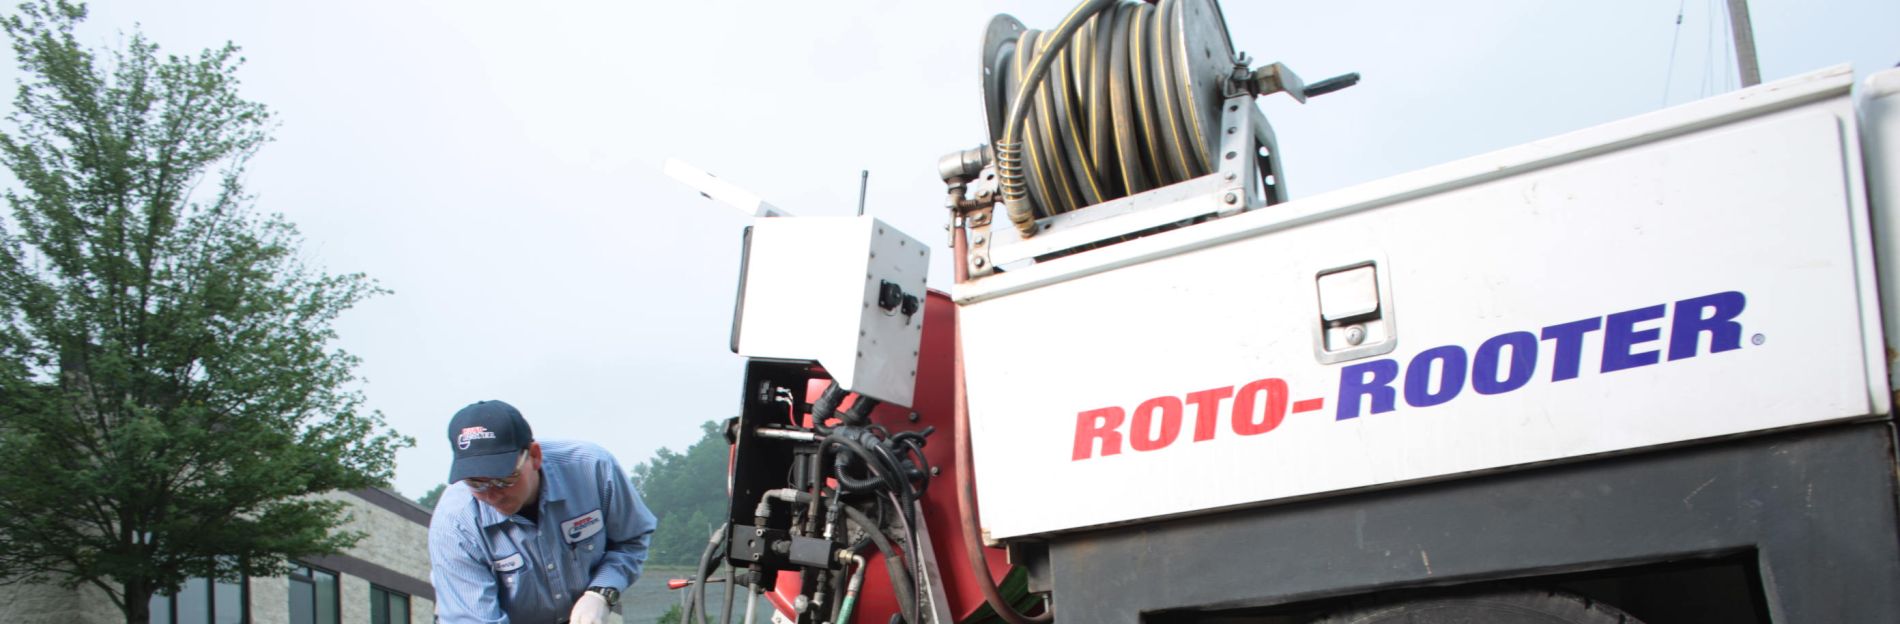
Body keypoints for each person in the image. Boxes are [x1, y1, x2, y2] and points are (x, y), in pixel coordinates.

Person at [429, 400, 657, 623]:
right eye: (476, 484)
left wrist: (600, 593)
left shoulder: (594, 470)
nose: (491, 494)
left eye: (503, 480)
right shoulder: (455, 524)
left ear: (535, 456)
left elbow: (630, 541)